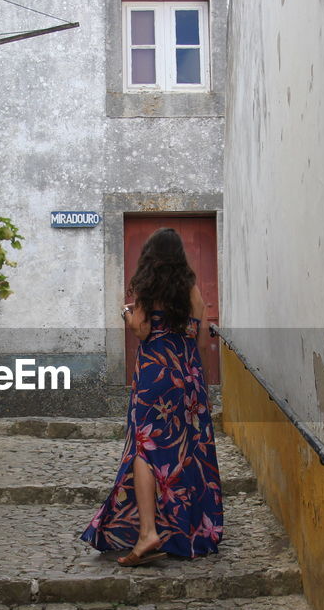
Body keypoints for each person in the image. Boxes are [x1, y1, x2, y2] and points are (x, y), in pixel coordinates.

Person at [80, 228, 224, 565]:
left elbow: (142, 329)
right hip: (188, 379)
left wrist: (126, 313)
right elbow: (202, 342)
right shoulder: (194, 293)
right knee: (185, 451)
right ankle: (185, 532)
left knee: (146, 448)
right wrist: (202, 388)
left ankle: (148, 533)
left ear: (151, 255)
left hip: (155, 377)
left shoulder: (147, 288)